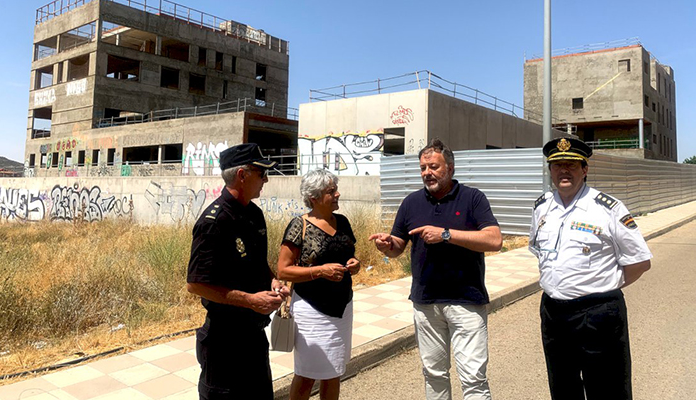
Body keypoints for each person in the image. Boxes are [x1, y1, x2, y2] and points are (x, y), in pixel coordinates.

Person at [369, 138, 502, 400]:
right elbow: (398, 246)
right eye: (423, 168)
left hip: (466, 302)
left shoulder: (472, 198)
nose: (427, 173)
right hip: (426, 303)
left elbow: (494, 240)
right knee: (433, 374)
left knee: (473, 378)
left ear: (450, 168)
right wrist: (387, 245)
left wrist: (445, 234)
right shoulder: (411, 202)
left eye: (433, 167)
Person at [529, 137, 652, 400]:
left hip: (598, 314)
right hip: (553, 313)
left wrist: (603, 286)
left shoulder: (607, 208)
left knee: (608, 389)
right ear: (550, 170)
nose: (564, 170)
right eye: (558, 165)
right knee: (562, 387)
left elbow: (640, 261)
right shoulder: (541, 208)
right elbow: (538, 251)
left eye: (572, 165)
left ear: (584, 169)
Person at [186, 143, 290, 400]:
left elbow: (257, 262)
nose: (266, 180)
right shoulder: (214, 222)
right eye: (261, 173)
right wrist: (250, 300)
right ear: (242, 175)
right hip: (224, 341)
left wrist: (273, 281)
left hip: (254, 335)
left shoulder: (254, 214)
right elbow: (196, 284)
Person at [277, 169, 360, 400]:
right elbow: (283, 270)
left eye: (336, 189)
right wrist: (320, 271)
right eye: (331, 191)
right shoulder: (299, 225)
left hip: (342, 308)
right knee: (307, 374)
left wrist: (355, 264)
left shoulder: (342, 222)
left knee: (333, 371)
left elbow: (349, 255)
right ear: (314, 197)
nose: (337, 194)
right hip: (312, 311)